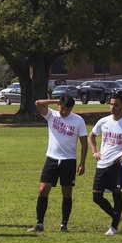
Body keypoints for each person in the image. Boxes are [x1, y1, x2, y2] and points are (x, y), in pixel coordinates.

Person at [28, 94, 87, 233]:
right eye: (62, 107)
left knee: (66, 192)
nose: (63, 111)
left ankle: (64, 224)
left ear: (72, 108)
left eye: (67, 109)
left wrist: (82, 163)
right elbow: (38, 102)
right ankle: (39, 224)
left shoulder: (78, 121)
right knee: (43, 189)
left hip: (69, 161)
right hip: (52, 159)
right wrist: (56, 101)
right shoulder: (52, 115)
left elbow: (84, 143)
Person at [91, 93, 122, 235]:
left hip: (117, 165)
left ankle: (114, 227)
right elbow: (92, 135)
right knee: (96, 197)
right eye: (111, 104)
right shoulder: (103, 121)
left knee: (117, 196)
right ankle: (118, 216)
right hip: (102, 164)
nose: (112, 107)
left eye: (116, 104)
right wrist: (95, 151)